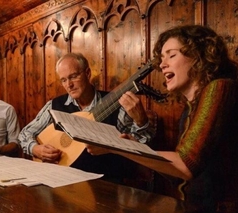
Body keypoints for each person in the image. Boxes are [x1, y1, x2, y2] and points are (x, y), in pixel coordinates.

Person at [86, 25, 238, 212]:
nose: (162, 64)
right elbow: (177, 175)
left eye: (171, 55)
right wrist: (136, 147)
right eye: (162, 58)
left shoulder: (220, 88)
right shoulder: (190, 108)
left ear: (199, 56)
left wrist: (117, 148)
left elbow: (185, 165)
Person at [18, 52, 156, 184]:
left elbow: (138, 146)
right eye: (63, 80)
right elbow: (25, 133)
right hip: (61, 179)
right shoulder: (54, 105)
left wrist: (141, 121)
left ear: (88, 73)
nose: (69, 85)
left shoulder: (116, 104)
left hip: (104, 182)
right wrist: (35, 149)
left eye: (73, 77)